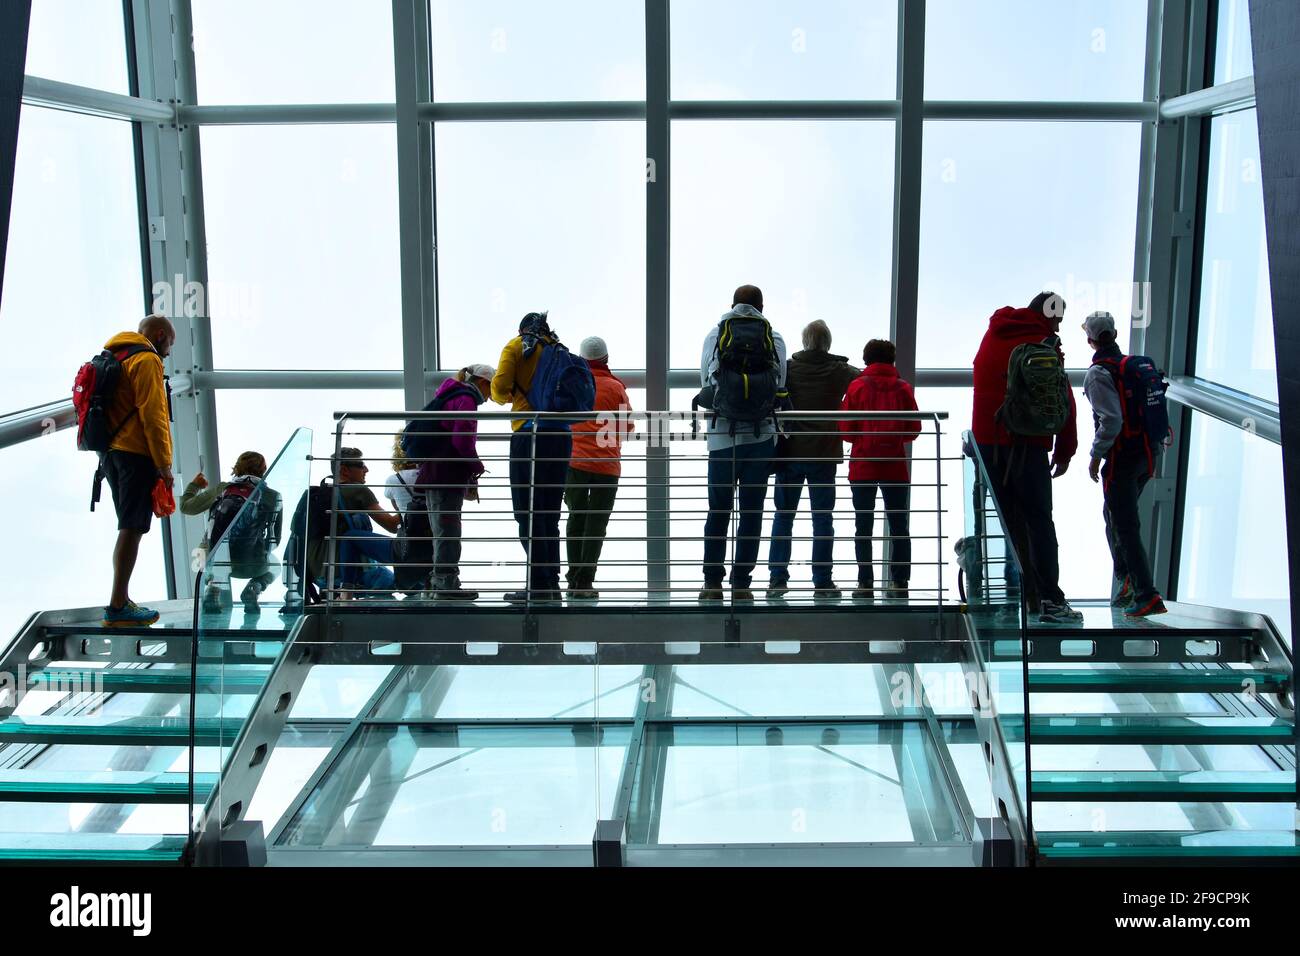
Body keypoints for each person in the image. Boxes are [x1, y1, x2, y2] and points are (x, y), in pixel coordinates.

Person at [972, 291, 1083, 624]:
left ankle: (1003, 597)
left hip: (987, 443)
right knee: (1038, 521)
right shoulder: (1044, 342)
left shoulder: (994, 332)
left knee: (998, 522)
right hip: (1028, 444)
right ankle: (1049, 600)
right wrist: (1066, 449)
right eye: (1059, 319)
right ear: (1049, 316)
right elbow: (1063, 399)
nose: (1060, 326)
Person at [698, 284, 787, 602]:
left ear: (732, 304)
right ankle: (742, 582)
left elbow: (708, 384)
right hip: (761, 438)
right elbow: (781, 385)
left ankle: (712, 583)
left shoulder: (715, 333)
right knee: (752, 513)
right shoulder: (774, 338)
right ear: (762, 307)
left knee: (718, 511)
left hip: (722, 439)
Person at [1081, 311, 1167, 617]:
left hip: (1124, 457)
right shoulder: (1135, 366)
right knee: (1115, 514)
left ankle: (1145, 593)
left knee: (1124, 524)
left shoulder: (1098, 374)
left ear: (1090, 340)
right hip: (1149, 453)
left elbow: (1112, 420)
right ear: (1114, 335)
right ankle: (1128, 578)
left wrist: (1094, 455)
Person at [767, 320, 858, 599]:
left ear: (804, 342)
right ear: (827, 343)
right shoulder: (838, 371)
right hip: (823, 454)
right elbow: (865, 379)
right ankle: (822, 582)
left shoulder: (790, 369)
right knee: (823, 519)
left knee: (783, 516)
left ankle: (777, 580)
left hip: (791, 452)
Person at [99, 314, 176, 627]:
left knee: (129, 526)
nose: (168, 353)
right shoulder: (146, 359)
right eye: (169, 345)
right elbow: (154, 416)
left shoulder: (117, 355)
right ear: (159, 335)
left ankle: (121, 598)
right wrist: (164, 465)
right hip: (135, 454)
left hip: (110, 455)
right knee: (133, 527)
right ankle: (118, 605)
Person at [492, 313, 573, 603]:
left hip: (530, 434)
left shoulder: (517, 346)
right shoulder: (559, 350)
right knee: (550, 515)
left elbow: (500, 389)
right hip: (562, 437)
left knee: (526, 512)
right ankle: (551, 584)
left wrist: (508, 396)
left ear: (522, 328)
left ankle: (538, 586)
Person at [840, 339, 920, 600]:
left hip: (863, 465)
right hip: (895, 466)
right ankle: (900, 583)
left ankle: (865, 583)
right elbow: (914, 429)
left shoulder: (856, 386)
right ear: (891, 360)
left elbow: (846, 432)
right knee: (899, 526)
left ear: (866, 359)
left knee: (863, 526)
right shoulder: (903, 388)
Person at [408, 364, 495, 601]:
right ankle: (446, 585)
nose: (491, 394)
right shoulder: (465, 399)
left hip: (437, 474)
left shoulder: (450, 395)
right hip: (445, 476)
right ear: (483, 382)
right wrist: (477, 467)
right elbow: (462, 441)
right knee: (448, 531)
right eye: (492, 387)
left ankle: (443, 582)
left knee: (442, 531)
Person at [565, 337, 634, 601]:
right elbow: (626, 428)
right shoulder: (616, 388)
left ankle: (573, 578)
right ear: (606, 359)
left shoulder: (574, 384)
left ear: (581, 360)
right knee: (596, 525)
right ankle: (585, 581)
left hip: (575, 462)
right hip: (607, 465)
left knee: (575, 518)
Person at [181, 451, 282, 614]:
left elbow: (186, 507)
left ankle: (213, 589)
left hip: (216, 563)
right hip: (252, 563)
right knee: (276, 565)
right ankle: (254, 588)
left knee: (207, 551)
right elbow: (275, 541)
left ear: (237, 467)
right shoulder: (272, 496)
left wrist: (195, 485)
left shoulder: (223, 489)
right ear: (264, 470)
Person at [310, 447, 401, 597]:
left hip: (319, 576)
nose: (366, 469)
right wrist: (408, 504)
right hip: (349, 572)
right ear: (344, 470)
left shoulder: (317, 494)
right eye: (361, 465)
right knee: (399, 579)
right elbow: (392, 525)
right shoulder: (357, 490)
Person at [384, 436, 429, 597]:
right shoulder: (431, 474)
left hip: (410, 538)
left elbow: (398, 514)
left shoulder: (392, 480)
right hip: (435, 535)